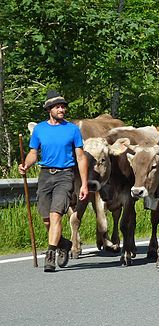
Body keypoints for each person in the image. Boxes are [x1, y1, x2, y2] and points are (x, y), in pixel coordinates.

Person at [18, 91, 89, 272]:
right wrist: (25, 165)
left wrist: (84, 184)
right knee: (47, 220)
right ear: (49, 109)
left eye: (63, 106)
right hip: (45, 175)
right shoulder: (40, 129)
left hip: (65, 176)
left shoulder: (72, 129)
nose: (62, 109)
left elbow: (80, 157)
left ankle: (50, 255)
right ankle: (63, 243)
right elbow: (34, 153)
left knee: (56, 214)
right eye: (58, 107)